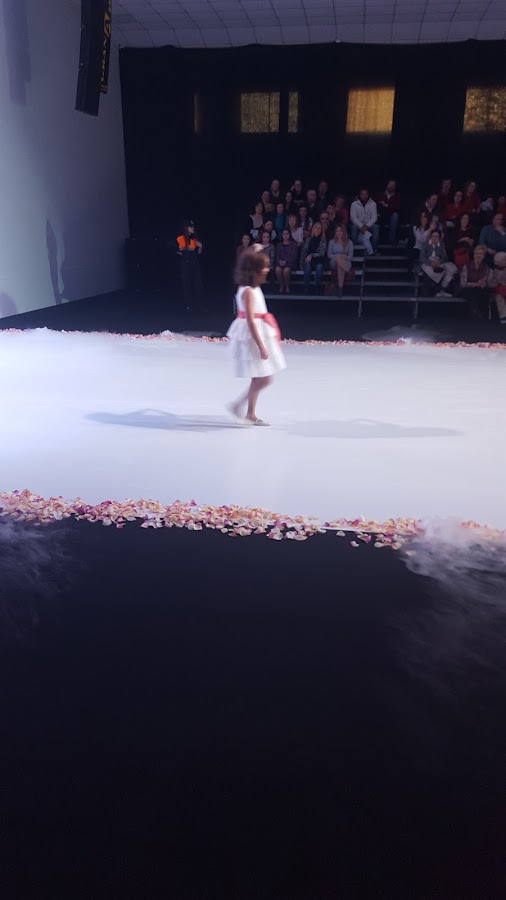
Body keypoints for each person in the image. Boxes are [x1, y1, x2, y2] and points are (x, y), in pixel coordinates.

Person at [227, 247, 286, 426]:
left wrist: (255, 249)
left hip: (258, 330)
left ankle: (249, 413)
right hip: (253, 335)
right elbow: (251, 322)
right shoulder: (248, 291)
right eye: (264, 266)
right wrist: (261, 346)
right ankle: (241, 406)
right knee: (264, 377)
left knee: (260, 376)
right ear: (254, 269)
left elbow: (248, 256)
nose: (267, 269)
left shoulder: (251, 287)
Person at [418, 229, 457, 297]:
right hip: (427, 262)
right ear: (430, 237)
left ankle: (443, 288)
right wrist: (431, 262)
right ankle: (435, 290)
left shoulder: (441, 244)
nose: (434, 238)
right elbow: (422, 257)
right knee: (429, 271)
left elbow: (445, 257)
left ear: (439, 238)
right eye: (433, 236)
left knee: (451, 269)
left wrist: (438, 262)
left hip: (438, 262)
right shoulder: (426, 243)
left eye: (436, 236)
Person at [458, 244, 492, 318]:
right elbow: (463, 284)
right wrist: (475, 284)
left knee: (482, 292)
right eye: (476, 253)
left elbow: (489, 282)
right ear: (474, 255)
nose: (478, 255)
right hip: (466, 289)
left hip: (480, 289)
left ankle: (476, 312)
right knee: (474, 292)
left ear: (483, 256)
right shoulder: (466, 266)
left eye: (480, 254)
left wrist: (484, 284)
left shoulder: (486, 267)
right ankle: (475, 313)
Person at [176, 220, 204, 311]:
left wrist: (200, 247)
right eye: (190, 227)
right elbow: (179, 251)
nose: (193, 228)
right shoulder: (180, 238)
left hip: (195, 263)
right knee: (187, 284)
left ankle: (199, 304)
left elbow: (199, 253)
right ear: (186, 228)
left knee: (198, 284)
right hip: (186, 263)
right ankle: (188, 305)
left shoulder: (195, 238)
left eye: (193, 227)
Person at [350, 188, 379, 255]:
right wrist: (361, 226)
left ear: (368, 195)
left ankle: (374, 250)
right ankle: (356, 250)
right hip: (358, 225)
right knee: (353, 227)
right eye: (362, 194)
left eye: (366, 194)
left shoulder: (373, 204)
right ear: (359, 195)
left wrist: (366, 226)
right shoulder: (354, 204)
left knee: (376, 227)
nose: (364, 196)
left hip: (368, 225)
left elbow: (374, 218)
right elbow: (353, 218)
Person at [327, 224, 354, 296]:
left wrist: (345, 257)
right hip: (333, 262)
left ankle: (340, 288)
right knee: (338, 258)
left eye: (340, 231)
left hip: (346, 262)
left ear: (344, 232)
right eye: (337, 231)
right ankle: (348, 271)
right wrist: (338, 256)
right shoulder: (331, 242)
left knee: (340, 265)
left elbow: (350, 257)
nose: (338, 233)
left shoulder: (349, 242)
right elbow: (329, 255)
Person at [300, 221, 327, 293]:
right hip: (308, 261)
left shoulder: (323, 241)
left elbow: (321, 253)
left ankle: (317, 288)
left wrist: (311, 255)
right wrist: (301, 263)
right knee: (307, 267)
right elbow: (304, 252)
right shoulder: (308, 239)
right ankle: (306, 288)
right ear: (313, 229)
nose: (317, 230)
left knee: (319, 267)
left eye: (319, 228)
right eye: (316, 228)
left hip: (319, 260)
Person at [376, 179, 401, 244]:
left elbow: (397, 208)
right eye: (390, 185)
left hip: (391, 216)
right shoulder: (380, 195)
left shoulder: (397, 196)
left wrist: (387, 205)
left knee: (395, 216)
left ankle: (391, 240)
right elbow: (377, 206)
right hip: (381, 216)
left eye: (393, 185)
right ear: (387, 185)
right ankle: (381, 240)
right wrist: (388, 206)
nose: (392, 187)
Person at [274, 228, 299, 293]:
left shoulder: (293, 245)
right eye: (284, 234)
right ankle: (281, 285)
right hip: (280, 263)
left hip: (290, 264)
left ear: (290, 234)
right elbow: (277, 255)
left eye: (287, 234)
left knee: (286, 271)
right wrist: (279, 261)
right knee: (277, 269)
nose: (285, 235)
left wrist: (286, 261)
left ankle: (287, 286)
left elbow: (294, 257)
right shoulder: (279, 245)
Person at [491, 251, 506, 325]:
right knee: (499, 297)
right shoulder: (494, 271)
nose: (497, 263)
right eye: (496, 261)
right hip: (497, 291)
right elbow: (491, 284)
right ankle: (504, 316)